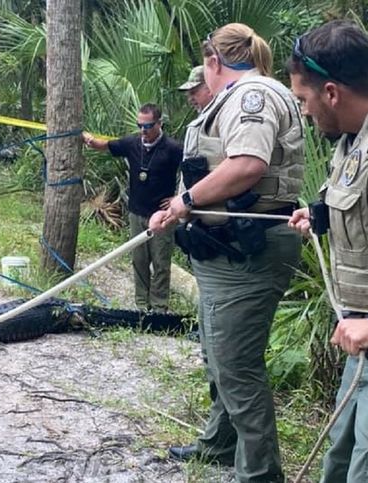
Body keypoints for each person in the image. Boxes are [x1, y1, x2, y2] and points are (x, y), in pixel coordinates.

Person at [149, 23, 305, 482]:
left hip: (248, 251)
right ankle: (221, 443)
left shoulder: (251, 96)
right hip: (223, 250)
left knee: (236, 364)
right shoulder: (232, 97)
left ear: (214, 62)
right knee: (216, 351)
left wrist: (184, 202)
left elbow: (247, 165)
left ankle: (259, 474)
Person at [286, 20, 368, 483]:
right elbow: (358, 200)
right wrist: (320, 214)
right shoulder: (356, 135)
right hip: (361, 343)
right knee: (342, 460)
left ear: (330, 92)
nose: (305, 113)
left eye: (304, 101)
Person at [83, 104, 183, 312]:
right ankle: (141, 305)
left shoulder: (173, 148)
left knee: (161, 262)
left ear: (159, 123)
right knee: (139, 259)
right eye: (140, 125)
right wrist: (91, 141)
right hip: (137, 212)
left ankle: (159, 307)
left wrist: (179, 197)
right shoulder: (132, 143)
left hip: (162, 215)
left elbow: (192, 170)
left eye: (148, 126)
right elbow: (108, 146)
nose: (143, 130)